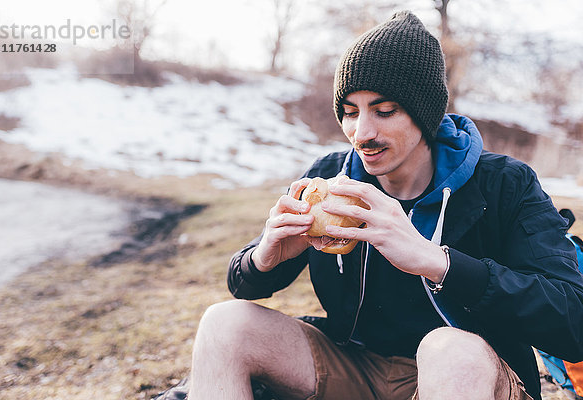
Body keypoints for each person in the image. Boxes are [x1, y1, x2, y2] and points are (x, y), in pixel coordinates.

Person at [185, 10, 583, 400]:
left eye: (384, 110)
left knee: (451, 350)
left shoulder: (504, 183)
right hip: (356, 367)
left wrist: (439, 263)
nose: (362, 133)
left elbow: (574, 322)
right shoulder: (332, 177)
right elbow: (243, 283)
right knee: (225, 323)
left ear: (425, 113)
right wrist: (264, 258)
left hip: (470, 375)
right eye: (350, 112)